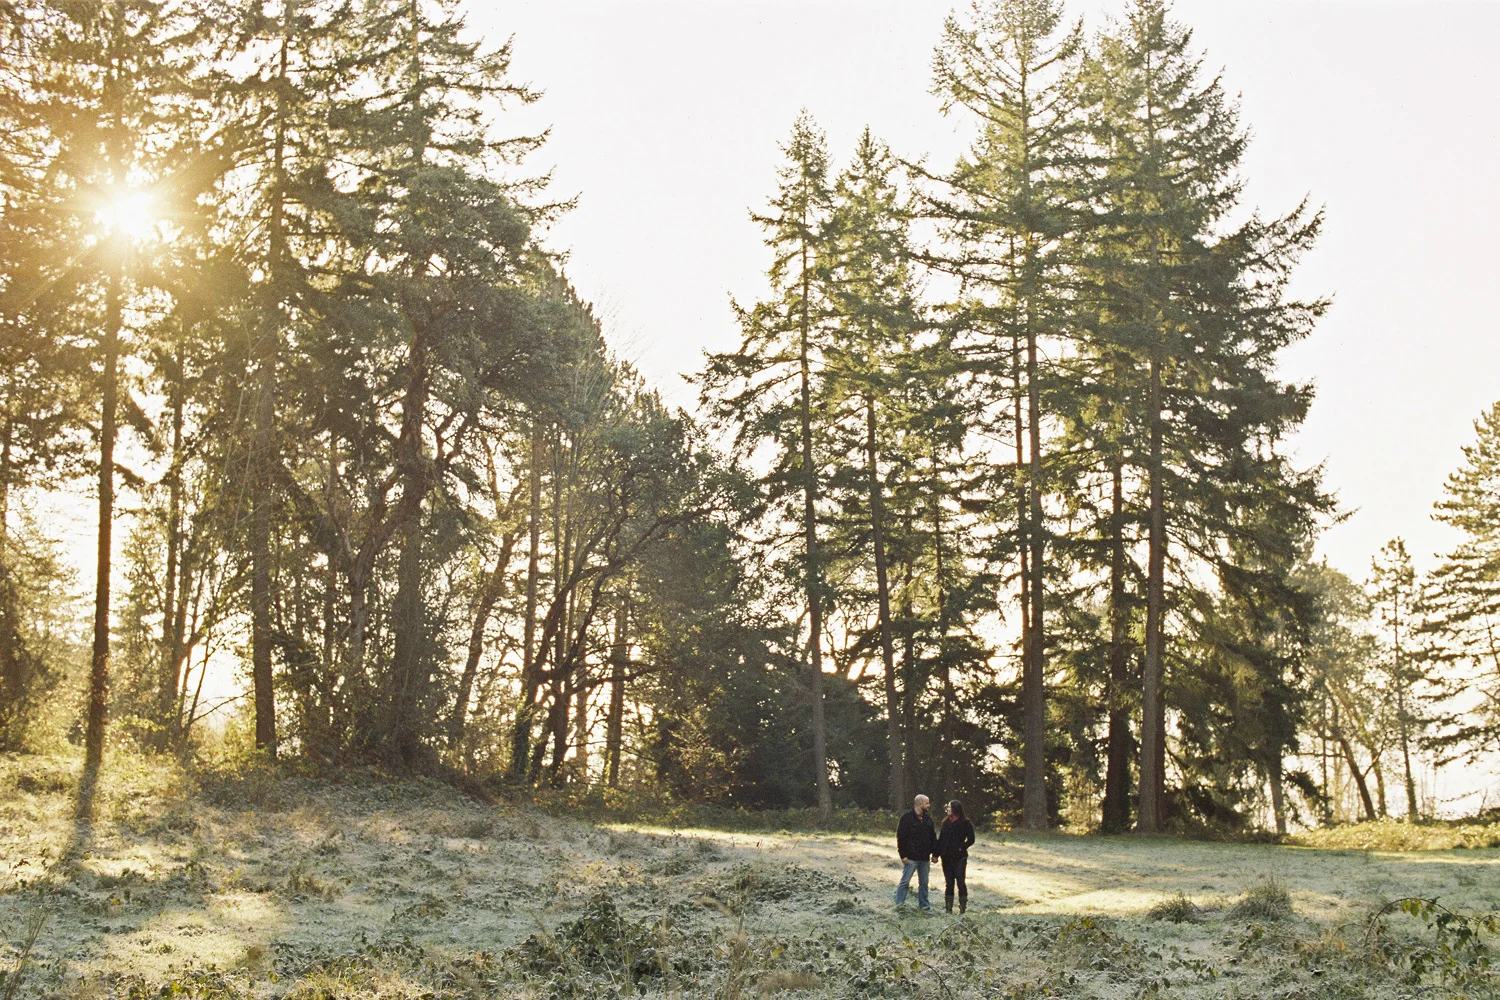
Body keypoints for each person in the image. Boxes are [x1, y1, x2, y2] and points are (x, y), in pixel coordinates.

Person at [894, 793, 937, 913]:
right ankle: (899, 906)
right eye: (927, 803)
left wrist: (935, 854)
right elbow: (901, 837)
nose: (929, 805)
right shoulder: (906, 818)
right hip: (911, 858)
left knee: (924, 884)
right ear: (919, 804)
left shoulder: (928, 820)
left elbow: (933, 837)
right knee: (905, 882)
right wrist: (903, 855)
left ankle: (924, 907)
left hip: (924, 858)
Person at [933, 799, 976, 914]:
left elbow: (971, 839)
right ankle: (948, 909)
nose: (947, 809)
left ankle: (962, 909)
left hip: (959, 857)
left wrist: (962, 847)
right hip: (946, 857)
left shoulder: (965, 822)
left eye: (949, 807)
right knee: (949, 882)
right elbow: (941, 839)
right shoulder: (945, 822)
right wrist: (936, 854)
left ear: (956, 809)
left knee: (960, 882)